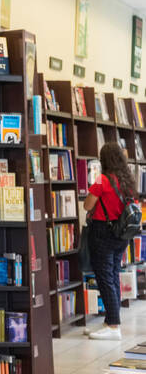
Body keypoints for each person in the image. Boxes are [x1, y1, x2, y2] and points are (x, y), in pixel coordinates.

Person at [84, 142, 139, 340]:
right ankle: (110, 320)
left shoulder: (102, 180)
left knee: (105, 277)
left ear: (104, 160)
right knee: (113, 274)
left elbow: (87, 205)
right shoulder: (128, 181)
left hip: (102, 232)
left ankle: (113, 326)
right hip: (122, 233)